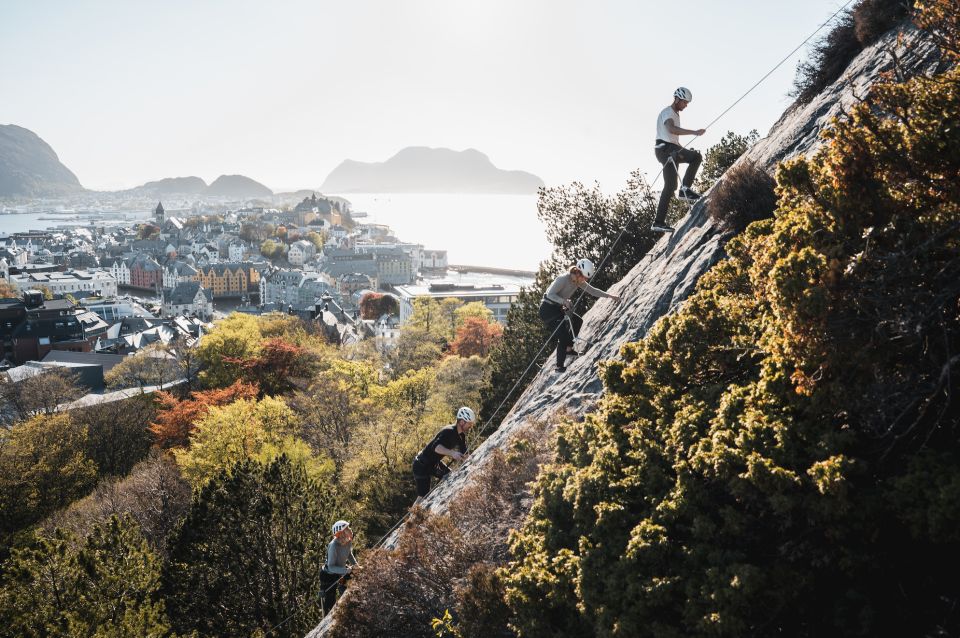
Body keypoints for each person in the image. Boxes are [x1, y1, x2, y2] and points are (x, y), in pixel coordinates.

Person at [539, 258, 620, 373]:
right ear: (577, 272)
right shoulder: (562, 279)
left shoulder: (578, 281)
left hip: (556, 308)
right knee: (563, 336)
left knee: (578, 321)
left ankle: (569, 349)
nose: (584, 280)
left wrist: (610, 296)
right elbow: (549, 295)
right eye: (584, 277)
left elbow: (592, 291)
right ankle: (559, 366)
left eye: (586, 279)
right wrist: (564, 301)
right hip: (547, 309)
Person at [652, 86, 707, 233]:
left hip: (669, 149)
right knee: (696, 157)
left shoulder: (676, 114)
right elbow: (672, 130)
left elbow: (673, 138)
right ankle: (685, 190)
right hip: (665, 149)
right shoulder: (668, 112)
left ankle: (658, 222)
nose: (686, 105)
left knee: (670, 186)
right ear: (676, 99)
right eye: (684, 102)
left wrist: (682, 149)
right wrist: (694, 132)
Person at [412, 406, 475, 506]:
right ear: (462, 422)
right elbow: (436, 447)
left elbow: (464, 452)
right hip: (421, 465)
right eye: (469, 424)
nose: (470, 426)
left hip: (433, 463)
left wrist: (468, 458)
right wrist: (453, 453)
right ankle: (412, 517)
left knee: (449, 475)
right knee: (423, 495)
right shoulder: (448, 431)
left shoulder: (461, 435)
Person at [319, 519, 358, 614]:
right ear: (341, 533)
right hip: (328, 576)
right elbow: (331, 567)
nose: (350, 530)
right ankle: (328, 617)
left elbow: (349, 554)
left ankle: (347, 602)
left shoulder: (348, 541)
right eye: (347, 529)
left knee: (352, 581)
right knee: (329, 601)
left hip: (341, 571)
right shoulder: (333, 546)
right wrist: (345, 571)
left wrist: (356, 566)